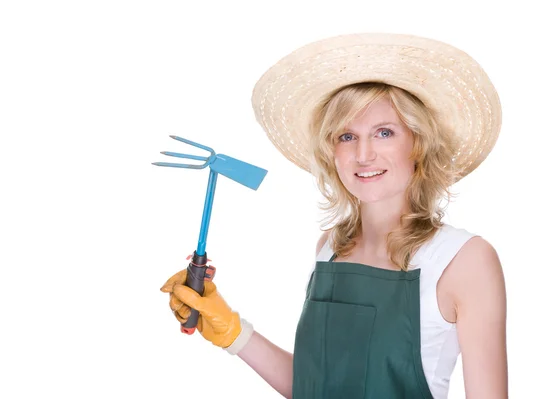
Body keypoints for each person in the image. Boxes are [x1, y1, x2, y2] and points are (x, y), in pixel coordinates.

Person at [160, 33, 508, 398]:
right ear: (331, 152)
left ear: (418, 145)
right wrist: (232, 330)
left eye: (384, 133)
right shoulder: (329, 248)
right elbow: (316, 387)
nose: (363, 154)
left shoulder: (462, 260)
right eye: (346, 136)